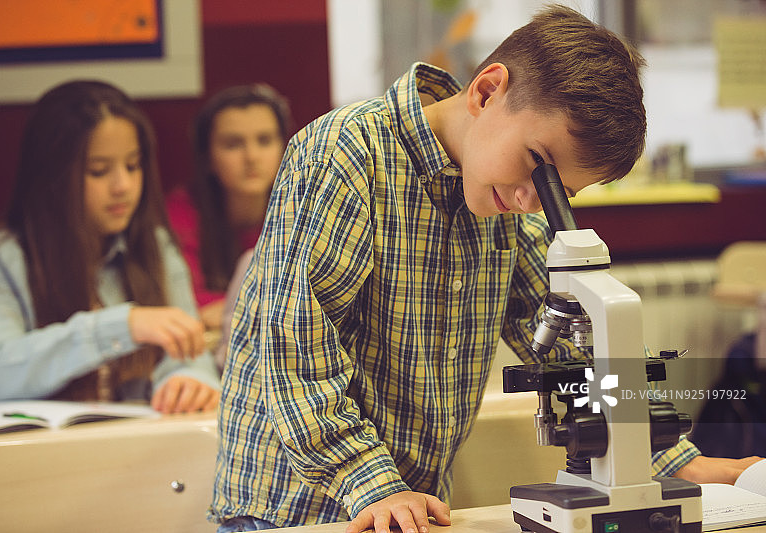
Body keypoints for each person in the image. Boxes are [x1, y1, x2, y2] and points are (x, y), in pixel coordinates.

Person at [210, 6, 760, 533]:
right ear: (487, 90)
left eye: (559, 192)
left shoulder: (502, 200)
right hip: (294, 508)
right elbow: (292, 346)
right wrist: (372, 482)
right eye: (535, 165)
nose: (529, 199)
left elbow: (574, 339)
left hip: (405, 506)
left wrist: (674, 458)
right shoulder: (345, 156)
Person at [0, 80, 220, 413]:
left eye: (133, 165)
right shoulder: (1, 254)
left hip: (136, 449)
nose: (123, 186)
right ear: (53, 177)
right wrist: (121, 326)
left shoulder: (156, 243)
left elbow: (191, 353)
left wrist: (188, 381)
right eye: (98, 171)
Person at [166, 84, 291, 333]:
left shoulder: (304, 209)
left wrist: (224, 310)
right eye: (233, 144)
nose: (252, 156)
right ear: (208, 157)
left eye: (265, 141)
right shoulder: (179, 213)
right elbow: (182, 305)